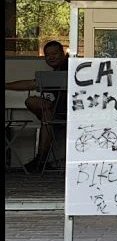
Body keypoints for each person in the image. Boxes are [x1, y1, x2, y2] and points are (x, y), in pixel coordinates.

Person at [5, 40, 69, 172]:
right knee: (34, 103)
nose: (51, 57)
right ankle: (41, 160)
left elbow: (32, 84)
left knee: (46, 115)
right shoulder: (55, 73)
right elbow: (32, 84)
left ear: (62, 53)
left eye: (55, 53)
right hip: (56, 113)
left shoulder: (68, 68)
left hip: (70, 115)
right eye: (47, 55)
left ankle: (41, 160)